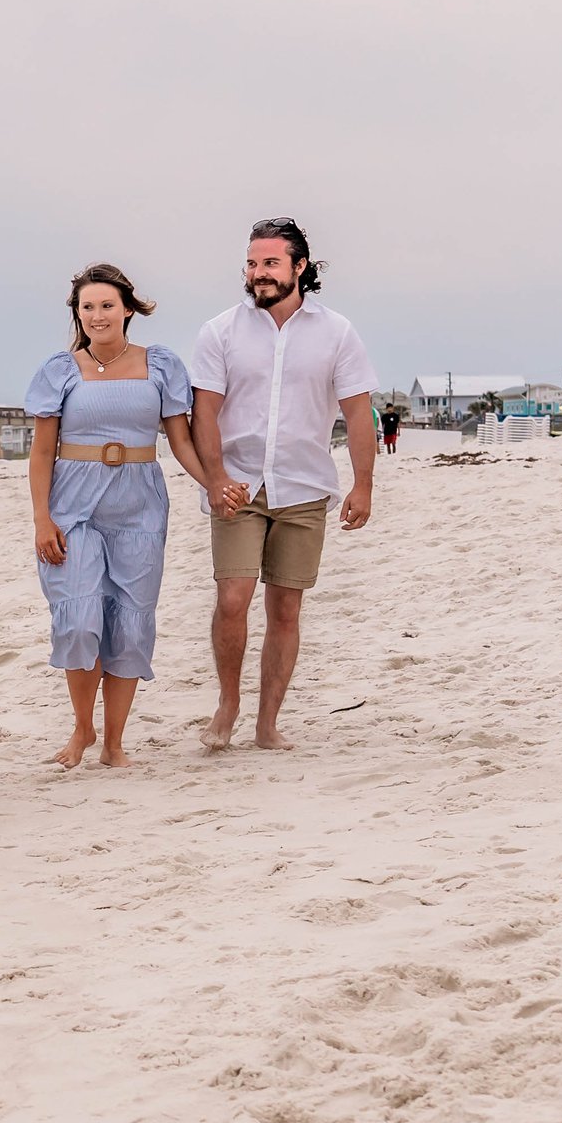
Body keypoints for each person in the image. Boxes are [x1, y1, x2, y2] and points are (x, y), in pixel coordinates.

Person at [26, 262, 240, 769]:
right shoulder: (60, 370)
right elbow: (40, 453)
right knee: (79, 619)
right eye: (88, 307)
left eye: (106, 305)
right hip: (73, 502)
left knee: (129, 623)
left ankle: (114, 743)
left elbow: (181, 440)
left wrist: (213, 484)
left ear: (127, 309)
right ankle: (83, 727)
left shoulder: (160, 365)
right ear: (78, 314)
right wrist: (41, 518)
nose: (98, 315)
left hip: (140, 502)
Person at [190, 218, 378, 750]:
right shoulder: (219, 331)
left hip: (304, 487)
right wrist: (216, 478)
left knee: (286, 608)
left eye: (270, 263)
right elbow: (204, 413)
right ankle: (228, 704)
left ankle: (267, 724)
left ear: (300, 267)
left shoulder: (337, 332)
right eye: (252, 264)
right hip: (238, 488)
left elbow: (358, 415)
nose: (258, 274)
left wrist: (362, 486)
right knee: (233, 597)